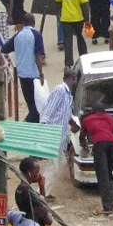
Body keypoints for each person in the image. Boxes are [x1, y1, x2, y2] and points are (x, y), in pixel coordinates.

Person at [39, 69, 79, 198]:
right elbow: (49, 111)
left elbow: (66, 115)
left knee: (60, 163)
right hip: (52, 134)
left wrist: (75, 125)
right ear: (73, 78)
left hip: (59, 137)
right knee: (54, 165)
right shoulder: (60, 90)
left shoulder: (68, 95)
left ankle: (44, 190)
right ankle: (41, 193)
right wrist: (44, 128)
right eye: (75, 79)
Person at [1, 14, 45, 122]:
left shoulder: (18, 36)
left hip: (22, 74)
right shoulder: (36, 35)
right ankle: (26, 123)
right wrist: (41, 73)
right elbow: (38, 56)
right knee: (37, 106)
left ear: (23, 23)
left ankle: (33, 127)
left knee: (31, 103)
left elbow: (4, 49)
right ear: (34, 23)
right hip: (34, 75)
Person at [80, 103, 113, 215]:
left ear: (93, 111)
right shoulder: (110, 117)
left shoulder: (87, 119)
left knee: (103, 175)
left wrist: (84, 146)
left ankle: (108, 207)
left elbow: (82, 136)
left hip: (100, 144)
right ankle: (112, 199)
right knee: (108, 172)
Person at [55, 0, 89, 68]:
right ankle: (84, 60)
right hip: (78, 18)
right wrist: (87, 19)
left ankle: (68, 64)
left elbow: (58, 3)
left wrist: (60, 14)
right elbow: (85, 5)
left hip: (66, 19)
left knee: (67, 41)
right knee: (80, 39)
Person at [16, 157, 52, 226]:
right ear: (29, 174)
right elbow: (49, 220)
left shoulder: (19, 189)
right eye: (37, 172)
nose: (39, 174)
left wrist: (42, 186)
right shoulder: (30, 194)